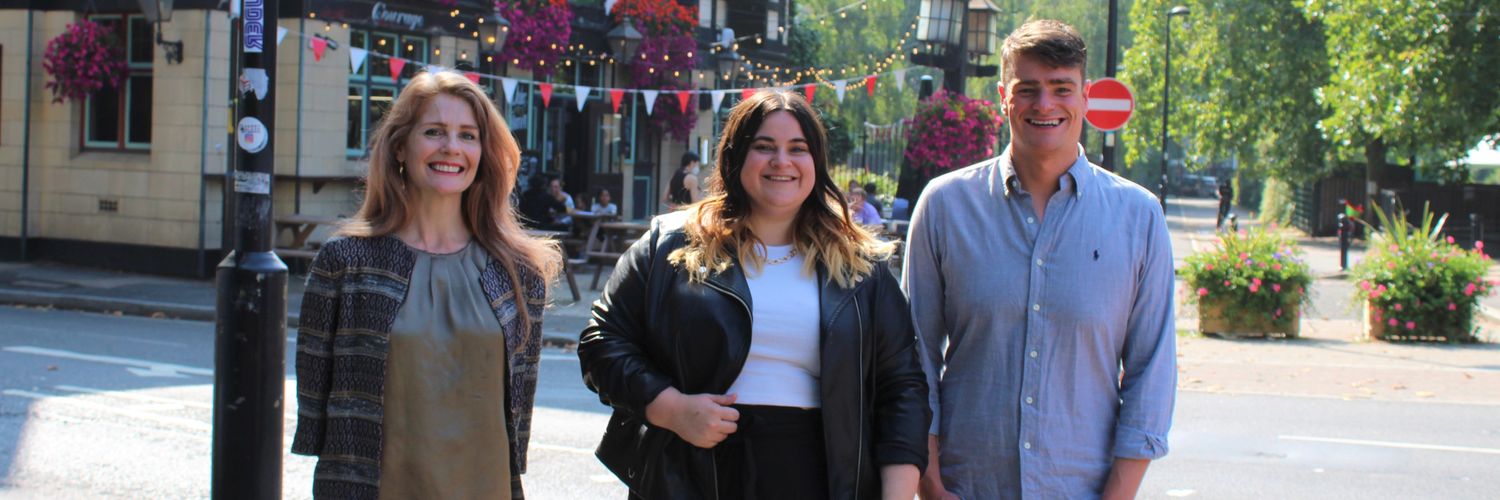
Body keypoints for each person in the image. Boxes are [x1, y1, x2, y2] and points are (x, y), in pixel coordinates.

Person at [579, 90, 930, 499]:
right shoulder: (668, 244)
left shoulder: (862, 269)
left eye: (797, 149)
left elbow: (902, 388)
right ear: (735, 157)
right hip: (691, 472)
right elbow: (601, 343)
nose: (782, 161)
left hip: (819, 473)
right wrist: (671, 409)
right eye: (764, 147)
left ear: (816, 162)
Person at [904, 20, 1176, 500]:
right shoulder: (945, 206)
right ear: (1004, 96)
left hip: (1082, 487)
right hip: (967, 486)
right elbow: (913, 358)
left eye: (1060, 88)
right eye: (1027, 89)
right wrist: (931, 482)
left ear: (1085, 96)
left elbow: (1151, 371)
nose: (1044, 104)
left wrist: (1117, 495)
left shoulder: (1138, 217)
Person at [291, 71, 560, 499]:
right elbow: (318, 402)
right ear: (400, 145)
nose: (451, 147)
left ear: (483, 152)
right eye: (434, 131)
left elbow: (517, 408)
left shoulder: (519, 272)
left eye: (468, 135)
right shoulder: (345, 263)